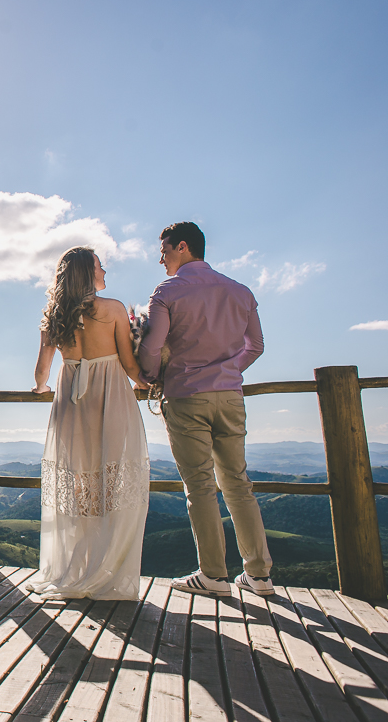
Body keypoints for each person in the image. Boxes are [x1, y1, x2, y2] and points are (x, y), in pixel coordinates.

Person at [138, 222, 273, 597]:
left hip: (185, 395)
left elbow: (151, 347)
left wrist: (150, 378)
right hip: (230, 396)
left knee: (199, 485)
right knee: (238, 483)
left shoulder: (168, 291)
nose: (160, 258)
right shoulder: (240, 291)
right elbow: (256, 345)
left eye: (163, 250)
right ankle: (259, 576)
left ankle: (214, 575)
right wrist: (226, 371)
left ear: (182, 247)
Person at [25, 247, 150, 601]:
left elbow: (40, 372)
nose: (104, 270)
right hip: (109, 396)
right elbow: (129, 364)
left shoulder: (54, 315)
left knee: (80, 484)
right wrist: (148, 381)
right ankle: (105, 566)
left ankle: (76, 565)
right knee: (113, 478)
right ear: (86, 272)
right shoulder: (112, 309)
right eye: (99, 265)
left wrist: (41, 389)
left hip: (70, 400)